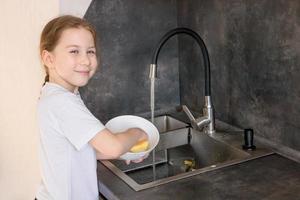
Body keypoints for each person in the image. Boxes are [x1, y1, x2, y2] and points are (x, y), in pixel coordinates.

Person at [36, 15, 148, 200]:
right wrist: (137, 133)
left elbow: (75, 150)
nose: (86, 60)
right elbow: (113, 146)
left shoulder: (57, 95)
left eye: (90, 51)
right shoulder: (63, 103)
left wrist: (125, 151)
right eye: (74, 51)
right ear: (49, 58)